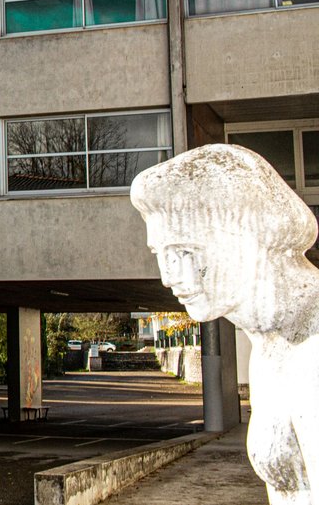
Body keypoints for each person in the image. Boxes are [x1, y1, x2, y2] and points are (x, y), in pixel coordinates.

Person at [131, 143, 319, 505]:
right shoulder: (270, 345)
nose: (168, 278)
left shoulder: (311, 351)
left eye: (184, 252)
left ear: (250, 233)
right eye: (161, 255)